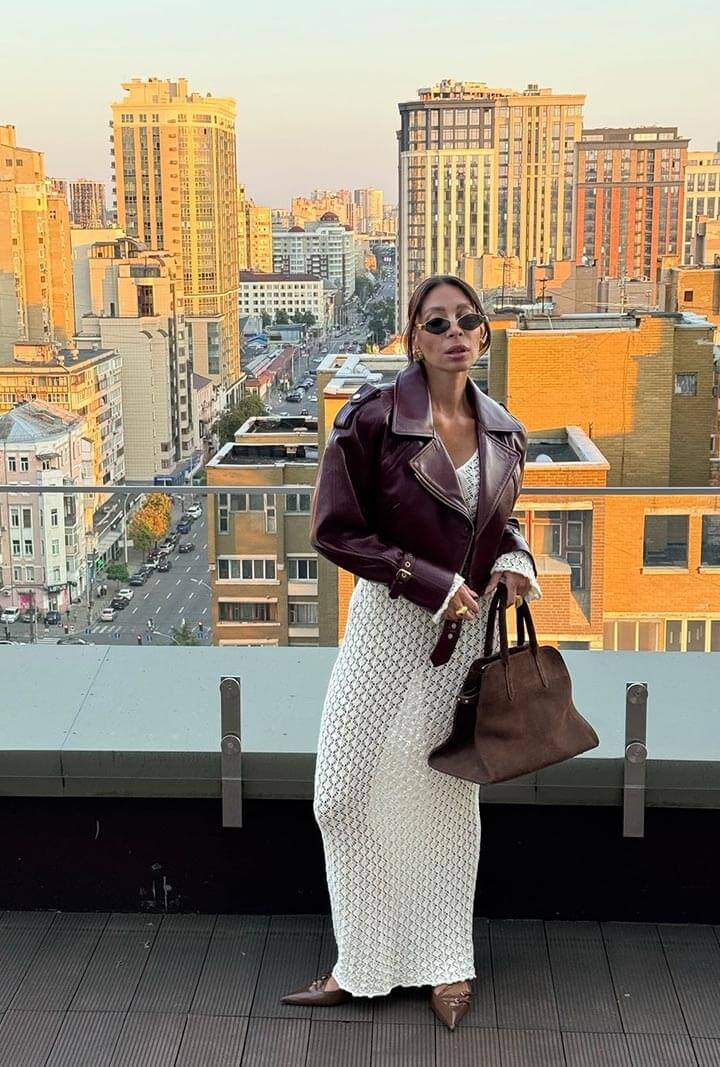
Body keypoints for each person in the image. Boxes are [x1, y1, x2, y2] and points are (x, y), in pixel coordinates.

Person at [281, 274, 541, 1030]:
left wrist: (513, 562)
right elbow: (334, 530)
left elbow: (497, 524)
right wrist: (425, 580)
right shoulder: (372, 420)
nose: (454, 332)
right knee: (341, 794)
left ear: (483, 333)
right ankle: (362, 960)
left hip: (463, 636)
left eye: (466, 320)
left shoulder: (506, 433)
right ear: (413, 340)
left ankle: (447, 961)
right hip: (388, 626)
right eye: (437, 322)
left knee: (444, 795)